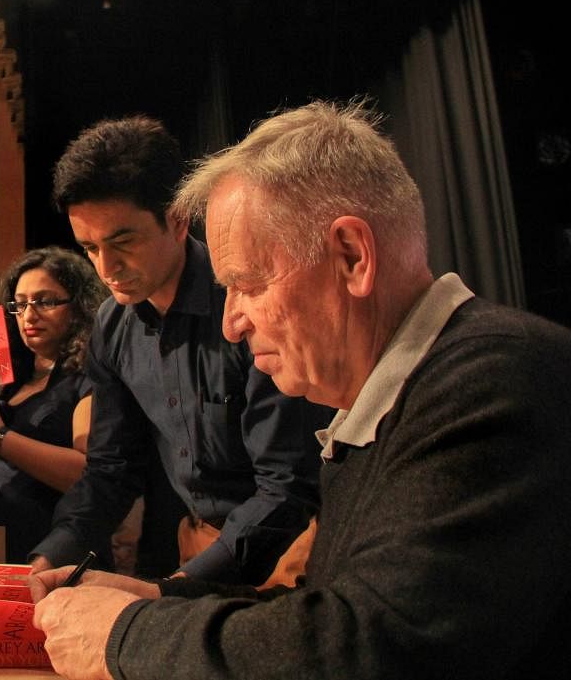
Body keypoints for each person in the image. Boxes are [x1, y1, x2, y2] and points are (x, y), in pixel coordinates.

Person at [29, 100, 571, 680]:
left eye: (249, 284)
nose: (232, 322)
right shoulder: (401, 400)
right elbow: (332, 614)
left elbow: (368, 644)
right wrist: (158, 600)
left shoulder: (493, 381)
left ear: (351, 256)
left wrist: (128, 634)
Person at [30, 115, 330, 586]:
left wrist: (172, 592)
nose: (107, 267)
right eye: (89, 247)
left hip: (294, 545)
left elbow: (288, 488)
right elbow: (111, 472)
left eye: (122, 241)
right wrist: (47, 561)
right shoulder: (113, 324)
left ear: (177, 217)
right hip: (201, 543)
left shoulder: (246, 301)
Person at [0, 246, 108, 564]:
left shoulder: (91, 375)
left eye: (45, 302)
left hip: (60, 552)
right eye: (20, 305)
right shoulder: (7, 383)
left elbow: (91, 474)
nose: (29, 316)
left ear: (78, 306)